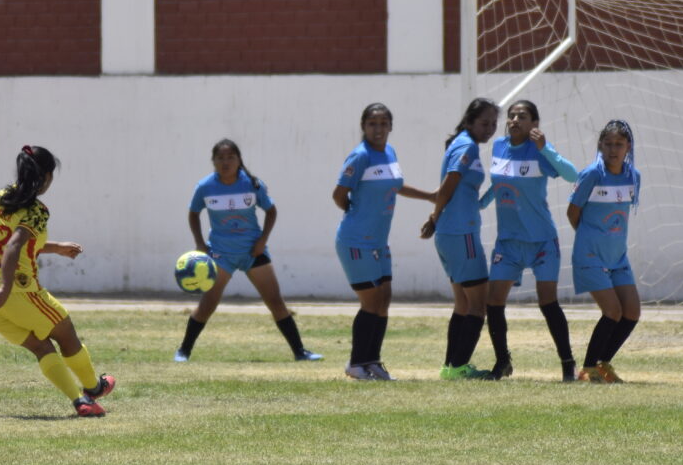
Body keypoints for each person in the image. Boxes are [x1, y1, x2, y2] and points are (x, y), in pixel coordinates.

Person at [0, 145, 115, 417]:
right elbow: (13, 247)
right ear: (47, 176)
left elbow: (15, 242)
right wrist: (6, 287)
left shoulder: (2, 197)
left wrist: (56, 247)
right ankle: (94, 388)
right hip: (17, 290)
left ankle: (80, 401)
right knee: (66, 332)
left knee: (41, 346)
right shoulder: (36, 210)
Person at [175, 139, 321, 362]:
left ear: (239, 160)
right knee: (207, 305)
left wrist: (262, 240)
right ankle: (183, 351)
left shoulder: (253, 185)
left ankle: (300, 351)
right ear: (213, 161)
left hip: (253, 252)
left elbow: (271, 211)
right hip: (221, 255)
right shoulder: (205, 187)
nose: (225, 162)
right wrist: (200, 243)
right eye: (220, 158)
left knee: (275, 302)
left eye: (230, 157)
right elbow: (193, 213)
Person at [332, 103, 435, 381]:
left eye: (383, 123)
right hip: (355, 241)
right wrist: (356, 214)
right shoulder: (359, 157)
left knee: (384, 299)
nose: (378, 129)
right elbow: (339, 195)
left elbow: (396, 186)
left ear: (391, 126)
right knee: (371, 301)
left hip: (378, 241)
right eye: (372, 124)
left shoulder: (389, 152)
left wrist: (429, 196)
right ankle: (356, 364)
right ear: (363, 127)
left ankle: (372, 361)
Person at [479, 100, 579, 381]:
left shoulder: (539, 150)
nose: (514, 120)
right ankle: (503, 363)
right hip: (508, 242)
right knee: (494, 301)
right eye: (511, 116)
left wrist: (545, 147)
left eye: (521, 116)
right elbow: (499, 183)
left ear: (534, 124)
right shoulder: (498, 146)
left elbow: (573, 175)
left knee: (547, 302)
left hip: (541, 241)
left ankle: (567, 363)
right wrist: (481, 203)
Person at [420, 98, 499, 379]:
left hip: (451, 233)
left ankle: (450, 367)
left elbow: (462, 193)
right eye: (484, 123)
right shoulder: (466, 146)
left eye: (493, 123)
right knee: (479, 304)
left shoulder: (463, 143)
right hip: (460, 234)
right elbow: (450, 184)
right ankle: (460, 367)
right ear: (468, 122)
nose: (489, 128)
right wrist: (434, 216)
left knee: (463, 305)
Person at [567, 120, 641, 383]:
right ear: (600, 145)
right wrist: (590, 238)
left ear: (628, 147)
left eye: (619, 144)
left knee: (631, 312)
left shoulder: (634, 176)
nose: (613, 149)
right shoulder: (592, 175)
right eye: (608, 143)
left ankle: (602, 365)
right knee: (612, 311)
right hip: (590, 256)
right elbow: (572, 212)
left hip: (618, 257)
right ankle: (588, 369)